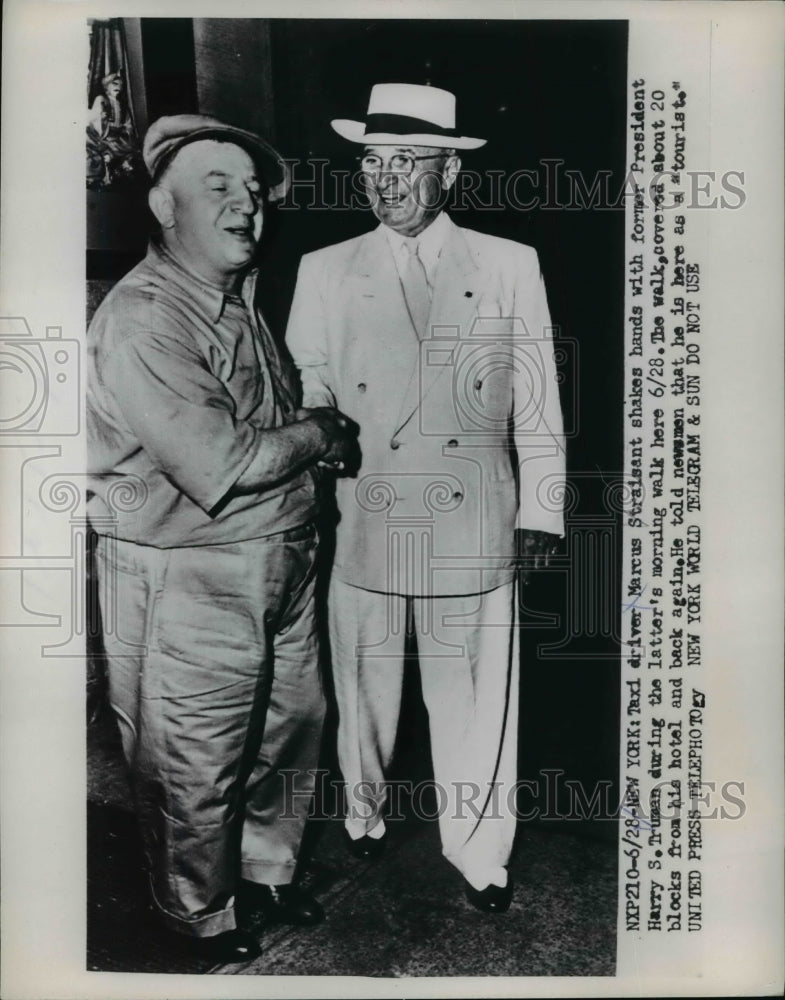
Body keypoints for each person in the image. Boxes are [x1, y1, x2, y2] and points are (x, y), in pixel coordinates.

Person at [286, 84, 566, 913]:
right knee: (363, 688)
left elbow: (538, 397)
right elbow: (312, 383)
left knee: (473, 698)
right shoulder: (324, 268)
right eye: (374, 162)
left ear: (449, 169)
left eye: (407, 161)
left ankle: (480, 851)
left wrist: (541, 510)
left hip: (471, 512)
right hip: (366, 509)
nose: (387, 180)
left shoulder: (508, 263)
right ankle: (364, 813)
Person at [87, 114, 358, 962]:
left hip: (280, 562)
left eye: (252, 192)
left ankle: (266, 876)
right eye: (219, 188)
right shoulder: (143, 318)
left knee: (288, 728)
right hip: (190, 578)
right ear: (164, 206)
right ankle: (196, 919)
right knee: (192, 760)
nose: (247, 206)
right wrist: (321, 432)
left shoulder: (234, 301)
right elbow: (226, 461)